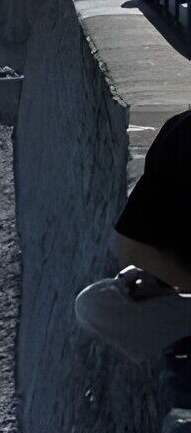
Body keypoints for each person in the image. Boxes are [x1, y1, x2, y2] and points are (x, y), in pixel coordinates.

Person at [74, 111, 191, 412]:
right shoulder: (179, 132)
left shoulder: (179, 131)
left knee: (94, 306)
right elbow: (133, 245)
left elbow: (130, 245)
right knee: (93, 304)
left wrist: (165, 280)